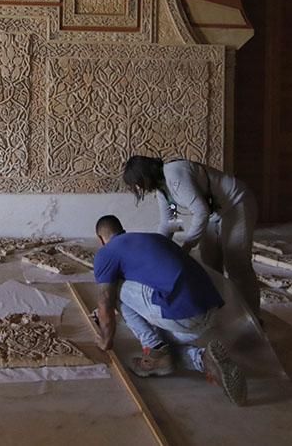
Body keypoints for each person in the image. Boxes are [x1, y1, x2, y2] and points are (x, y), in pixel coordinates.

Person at [92, 215, 247, 406]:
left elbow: (105, 301)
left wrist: (106, 340)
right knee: (164, 350)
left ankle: (154, 348)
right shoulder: (151, 238)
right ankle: (204, 360)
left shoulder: (106, 253)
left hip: (183, 313)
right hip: (210, 311)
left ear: (100, 239)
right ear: (122, 230)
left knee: (115, 289)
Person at [122, 155, 260, 319]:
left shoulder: (174, 174)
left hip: (236, 204)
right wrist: (158, 249)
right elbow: (171, 222)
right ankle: (222, 313)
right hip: (214, 213)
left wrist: (186, 247)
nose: (139, 188)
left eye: (138, 183)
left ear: (144, 175)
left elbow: (201, 212)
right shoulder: (163, 190)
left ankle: (252, 317)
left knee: (236, 264)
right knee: (210, 262)